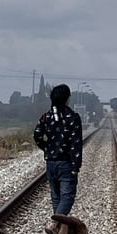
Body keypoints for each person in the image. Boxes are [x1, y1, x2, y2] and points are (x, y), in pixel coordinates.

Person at [33, 83, 84, 215]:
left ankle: (59, 232)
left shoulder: (46, 117)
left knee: (56, 198)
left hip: (51, 163)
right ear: (67, 98)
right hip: (66, 163)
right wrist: (76, 166)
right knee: (67, 197)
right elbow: (76, 144)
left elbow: (37, 134)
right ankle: (55, 225)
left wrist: (46, 148)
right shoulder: (72, 117)